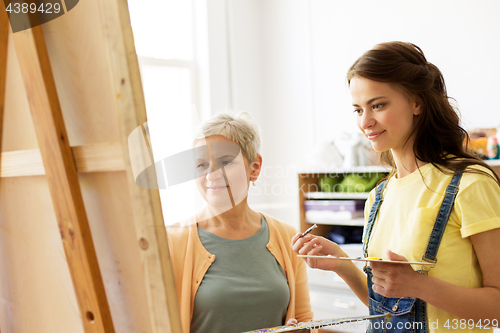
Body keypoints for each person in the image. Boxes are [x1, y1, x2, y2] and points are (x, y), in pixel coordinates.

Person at [292, 42, 500, 332]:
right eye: (357, 109)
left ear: (417, 102)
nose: (365, 121)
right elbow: (389, 312)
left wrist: (418, 284)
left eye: (378, 105)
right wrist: (341, 263)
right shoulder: (379, 195)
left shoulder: (471, 184)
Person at [167, 112, 313, 333]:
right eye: (201, 165)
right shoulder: (171, 241)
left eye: (225, 162)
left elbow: (304, 320)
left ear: (254, 167)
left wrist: (300, 330)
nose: (211, 175)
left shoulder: (287, 237)